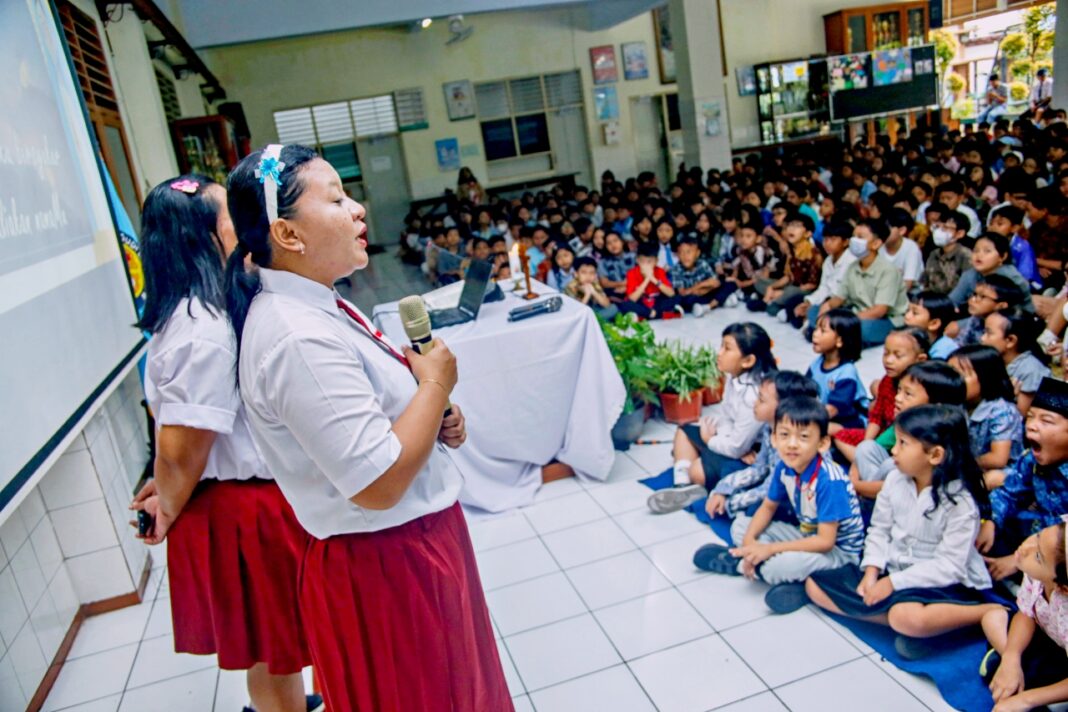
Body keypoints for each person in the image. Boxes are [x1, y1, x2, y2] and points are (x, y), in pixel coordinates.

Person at [223, 145, 510, 710]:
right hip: (385, 564)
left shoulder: (319, 305)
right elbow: (376, 484)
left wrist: (432, 418)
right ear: (288, 233)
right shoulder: (297, 337)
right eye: (335, 199)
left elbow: (374, 425)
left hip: (415, 543)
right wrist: (433, 386)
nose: (357, 210)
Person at [128, 175, 320, 712]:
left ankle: (282, 702)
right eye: (228, 215)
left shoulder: (199, 312)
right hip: (242, 513)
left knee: (276, 648)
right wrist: (165, 502)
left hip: (238, 500)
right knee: (272, 650)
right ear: (206, 236)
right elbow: (183, 449)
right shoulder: (202, 329)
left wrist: (164, 487)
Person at [806, 405, 1002, 660]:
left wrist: (892, 583)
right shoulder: (894, 480)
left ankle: (983, 612)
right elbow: (879, 530)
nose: (894, 450)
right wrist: (872, 572)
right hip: (895, 570)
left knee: (905, 616)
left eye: (903, 443)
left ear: (935, 455)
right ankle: (922, 632)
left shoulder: (960, 502)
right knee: (814, 584)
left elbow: (949, 566)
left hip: (942, 583)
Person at [693, 396, 866, 615]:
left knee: (777, 566)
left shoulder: (829, 481)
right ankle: (753, 561)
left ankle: (744, 565)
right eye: (784, 435)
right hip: (806, 535)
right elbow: (767, 507)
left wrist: (768, 549)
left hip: (839, 554)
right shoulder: (785, 466)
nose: (792, 444)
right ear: (774, 438)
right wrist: (750, 544)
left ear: (822, 443)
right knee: (741, 526)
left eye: (803, 437)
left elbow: (825, 542)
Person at [649, 323, 776, 513]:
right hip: (735, 440)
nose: (719, 353)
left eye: (727, 348)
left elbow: (737, 448)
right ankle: (682, 488)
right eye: (721, 346)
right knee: (683, 432)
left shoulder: (754, 395)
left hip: (751, 453)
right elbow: (725, 416)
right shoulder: (734, 377)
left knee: (697, 471)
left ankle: (694, 479)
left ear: (748, 360)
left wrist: (710, 440)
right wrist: (721, 438)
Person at [979, 378, 1068, 583]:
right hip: (1033, 542)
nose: (1032, 427)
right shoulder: (1031, 459)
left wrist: (1017, 561)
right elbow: (1009, 492)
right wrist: (991, 521)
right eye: (1030, 417)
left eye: (1046, 421)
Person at [705, 371, 820, 520]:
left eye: (761, 400)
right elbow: (759, 469)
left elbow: (771, 489)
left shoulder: (792, 444)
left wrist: (730, 503)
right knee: (729, 472)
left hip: (795, 499)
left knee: (756, 510)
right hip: (774, 485)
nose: (755, 403)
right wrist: (722, 489)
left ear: (783, 407)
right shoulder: (769, 428)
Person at [980, 521, 1068, 710]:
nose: (1025, 547)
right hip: (1046, 637)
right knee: (991, 619)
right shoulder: (1037, 574)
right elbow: (1026, 614)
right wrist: (1011, 657)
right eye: (1038, 536)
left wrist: (1026, 699)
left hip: (1062, 656)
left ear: (1063, 587)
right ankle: (1012, 671)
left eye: (1038, 556)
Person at [849, 361, 968, 501]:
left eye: (908, 394)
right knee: (867, 447)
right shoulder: (903, 424)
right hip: (886, 486)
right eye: (899, 390)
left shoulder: (941, 436)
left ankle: (869, 502)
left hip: (917, 494)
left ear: (935, 406)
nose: (897, 398)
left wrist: (855, 486)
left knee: (891, 465)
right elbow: (869, 451)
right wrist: (853, 479)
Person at [833, 328, 929, 458]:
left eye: (898, 355)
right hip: (882, 434)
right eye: (886, 353)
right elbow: (876, 416)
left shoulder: (922, 390)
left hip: (903, 441)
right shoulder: (887, 381)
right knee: (840, 437)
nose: (888, 360)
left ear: (920, 359)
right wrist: (866, 445)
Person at [819, 219, 909, 348]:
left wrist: (848, 321)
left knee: (862, 328)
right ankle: (840, 335)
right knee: (816, 311)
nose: (854, 241)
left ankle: (841, 336)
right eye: (854, 236)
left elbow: (879, 311)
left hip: (886, 319)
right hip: (857, 313)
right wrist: (826, 309)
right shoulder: (852, 267)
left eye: (860, 237)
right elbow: (839, 298)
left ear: (876, 243)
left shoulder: (888, 270)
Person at [949, 345, 1024, 484]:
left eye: (960, 375)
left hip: (1000, 473)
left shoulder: (1002, 409)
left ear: (985, 376)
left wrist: (958, 465)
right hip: (970, 467)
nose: (954, 381)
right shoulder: (959, 404)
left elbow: (998, 459)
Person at [981, 307, 1052, 417]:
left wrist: (1007, 397)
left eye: (988, 333)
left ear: (1010, 340)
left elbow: (1019, 416)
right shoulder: (991, 361)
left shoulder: (1031, 371)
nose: (982, 338)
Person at [749, 213, 822, 319]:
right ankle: (775, 300)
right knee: (758, 281)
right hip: (790, 286)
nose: (791, 229)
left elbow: (812, 285)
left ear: (808, 233)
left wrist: (782, 292)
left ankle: (772, 302)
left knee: (790, 292)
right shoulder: (791, 251)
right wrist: (772, 287)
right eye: (790, 225)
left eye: (797, 226)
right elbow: (788, 277)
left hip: (805, 290)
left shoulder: (813, 253)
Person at [806, 309, 868, 430]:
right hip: (826, 414)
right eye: (816, 329)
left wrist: (803, 418)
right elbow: (805, 389)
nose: (815, 334)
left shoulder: (846, 373)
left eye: (822, 331)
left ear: (840, 341)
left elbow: (833, 410)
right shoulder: (817, 363)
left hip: (852, 421)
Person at [797, 221, 856, 333]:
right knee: (802, 306)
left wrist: (825, 304)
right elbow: (824, 287)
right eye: (825, 239)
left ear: (846, 242)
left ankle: (815, 326)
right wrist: (809, 302)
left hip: (843, 304)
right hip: (827, 301)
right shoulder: (828, 260)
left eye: (833, 240)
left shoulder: (851, 262)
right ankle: (814, 325)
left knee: (817, 314)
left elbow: (843, 295)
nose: (827, 243)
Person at [948, 232, 1032, 311]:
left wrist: (960, 324)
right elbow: (952, 302)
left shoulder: (1014, 280)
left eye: (987, 251)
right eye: (976, 250)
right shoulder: (970, 274)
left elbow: (1018, 313)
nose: (979, 255)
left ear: (1002, 257)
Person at [953, 273, 1031, 347]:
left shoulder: (1006, 328)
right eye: (974, 294)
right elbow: (960, 343)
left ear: (1001, 305)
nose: (973, 299)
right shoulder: (977, 317)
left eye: (982, 297)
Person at [619, 240, 678, 320]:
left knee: (676, 298)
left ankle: (647, 315)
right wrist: (647, 279)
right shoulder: (631, 273)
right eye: (642, 261)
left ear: (656, 261)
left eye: (649, 262)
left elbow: (671, 293)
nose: (646, 265)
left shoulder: (659, 271)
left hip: (656, 303)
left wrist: (653, 279)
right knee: (625, 305)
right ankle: (653, 314)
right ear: (637, 260)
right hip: (642, 303)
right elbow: (632, 299)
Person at [988, 205, 1040, 290]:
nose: (992, 228)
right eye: (991, 223)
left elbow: (1024, 277)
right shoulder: (986, 243)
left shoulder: (1023, 247)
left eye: (999, 224)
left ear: (1014, 228)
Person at [922, 211, 974, 295]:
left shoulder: (966, 256)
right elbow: (926, 281)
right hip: (932, 299)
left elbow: (966, 288)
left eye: (946, 228)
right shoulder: (934, 254)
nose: (940, 231)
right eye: (938, 227)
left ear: (959, 234)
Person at [669, 235, 719, 316]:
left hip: (704, 293)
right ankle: (716, 302)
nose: (685, 256)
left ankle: (708, 306)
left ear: (697, 253)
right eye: (681, 253)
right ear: (677, 255)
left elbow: (716, 282)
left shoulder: (702, 263)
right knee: (683, 300)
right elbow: (683, 293)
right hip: (692, 298)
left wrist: (699, 286)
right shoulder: (675, 269)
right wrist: (705, 286)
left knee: (728, 284)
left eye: (689, 252)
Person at [905, 291, 959, 360]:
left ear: (934, 324)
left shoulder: (943, 350)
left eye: (915, 313)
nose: (907, 316)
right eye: (907, 310)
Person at [880, 208, 924, 292]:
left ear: (902, 230)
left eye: (887, 228)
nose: (882, 232)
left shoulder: (911, 248)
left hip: (909, 293)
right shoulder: (878, 245)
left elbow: (908, 284)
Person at [565, 256, 617, 320]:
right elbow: (577, 313)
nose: (588, 276)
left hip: (594, 312)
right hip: (580, 316)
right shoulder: (570, 287)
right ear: (576, 274)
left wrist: (593, 292)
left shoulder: (594, 284)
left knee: (614, 308)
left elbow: (607, 305)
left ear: (595, 275)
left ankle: (595, 321)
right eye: (584, 272)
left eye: (592, 273)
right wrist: (587, 295)